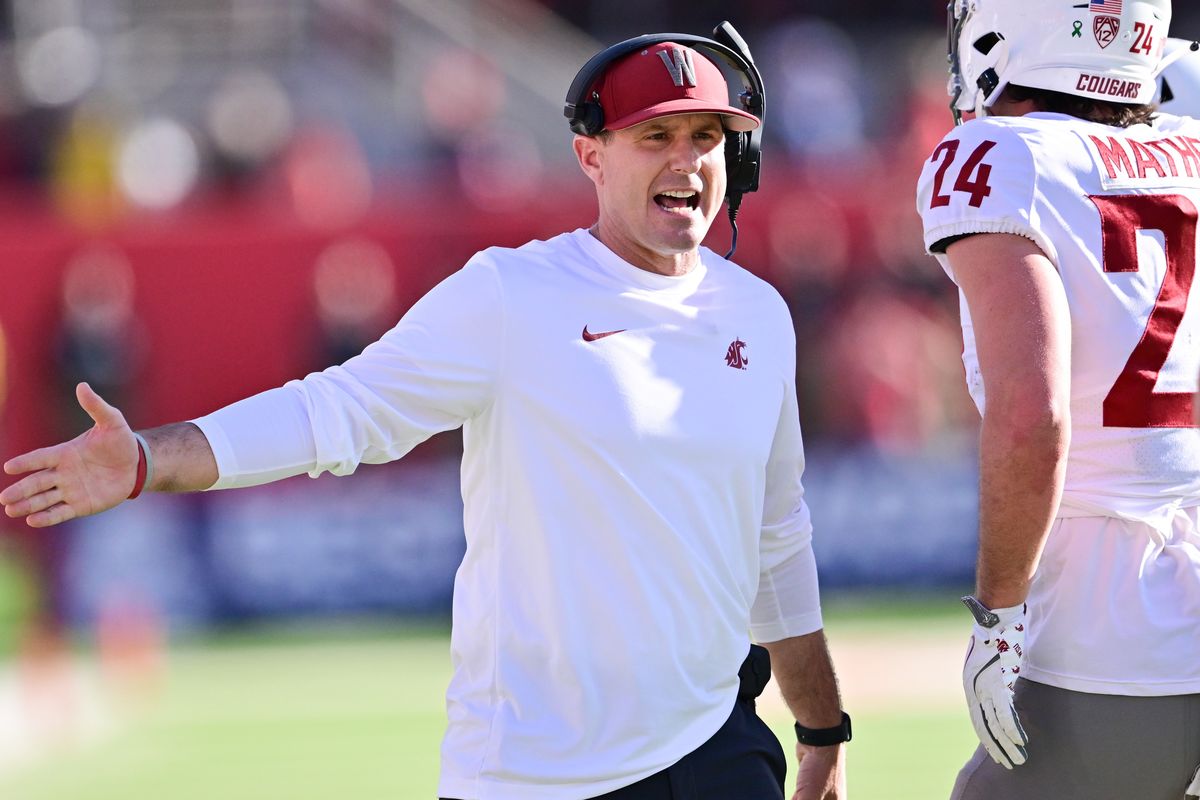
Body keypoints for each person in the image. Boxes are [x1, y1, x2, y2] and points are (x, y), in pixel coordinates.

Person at [1, 30, 849, 800]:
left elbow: (777, 535)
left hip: (716, 750)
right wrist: (152, 457)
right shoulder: (512, 295)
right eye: (654, 136)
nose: (687, 160)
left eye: (706, 137)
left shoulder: (759, 315)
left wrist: (820, 733)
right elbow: (341, 411)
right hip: (533, 776)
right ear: (591, 156)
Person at [918, 1, 1200, 798]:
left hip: (1104, 635)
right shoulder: (1190, 144)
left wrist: (998, 620)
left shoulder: (999, 152)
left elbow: (1031, 416)